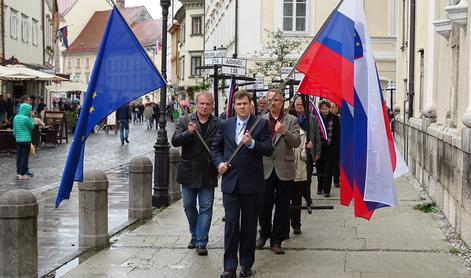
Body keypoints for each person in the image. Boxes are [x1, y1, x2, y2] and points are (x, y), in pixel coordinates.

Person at [212, 90, 273, 278]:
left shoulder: (260, 124)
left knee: (248, 225)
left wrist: (253, 143)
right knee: (231, 225)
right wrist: (219, 163)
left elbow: (269, 149)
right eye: (238, 104)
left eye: (245, 104)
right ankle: (229, 266)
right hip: (230, 183)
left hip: (251, 184)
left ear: (250, 105)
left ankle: (246, 264)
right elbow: (216, 148)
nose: (242, 107)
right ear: (234, 106)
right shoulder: (225, 124)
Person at [172, 92, 220, 256]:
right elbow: (175, 140)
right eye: (202, 103)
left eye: (208, 104)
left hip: (208, 172)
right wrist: (188, 133)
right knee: (189, 206)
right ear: (196, 104)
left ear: (212, 105)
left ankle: (201, 242)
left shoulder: (218, 123)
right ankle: (194, 234)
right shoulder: (185, 120)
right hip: (189, 172)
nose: (205, 106)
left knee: (206, 208)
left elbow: (221, 146)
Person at [257, 89, 300, 255]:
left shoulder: (291, 120)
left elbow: (296, 142)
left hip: (284, 168)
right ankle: (264, 234)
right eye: (270, 100)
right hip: (265, 168)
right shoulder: (260, 121)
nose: (273, 103)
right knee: (264, 205)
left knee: (283, 207)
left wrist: (284, 132)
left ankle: (277, 241)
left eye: (276, 100)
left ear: (282, 102)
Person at [290, 96, 321, 234]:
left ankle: (306, 198)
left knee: (304, 182)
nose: (299, 106)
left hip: (305, 158)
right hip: (289, 161)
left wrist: (315, 151)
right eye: (297, 104)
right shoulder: (290, 118)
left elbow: (316, 137)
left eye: (302, 104)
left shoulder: (312, 119)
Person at [316, 100, 340, 197]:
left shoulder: (334, 118)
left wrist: (337, 150)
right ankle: (320, 188)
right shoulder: (317, 118)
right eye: (322, 109)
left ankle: (327, 190)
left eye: (326, 108)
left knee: (328, 171)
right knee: (319, 170)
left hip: (331, 149)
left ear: (329, 108)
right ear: (320, 109)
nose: (324, 110)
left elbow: (338, 134)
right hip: (319, 148)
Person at [13, 103, 34, 180]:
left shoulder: (16, 117)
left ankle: (18, 172)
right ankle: (22, 174)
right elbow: (32, 126)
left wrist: (17, 137)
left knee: (19, 156)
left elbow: (14, 130)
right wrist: (31, 117)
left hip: (18, 140)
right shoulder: (26, 118)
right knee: (25, 157)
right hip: (26, 140)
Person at [330, 102, 341, 188]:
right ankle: (335, 180)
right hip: (331, 144)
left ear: (337, 109)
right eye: (330, 107)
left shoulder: (340, 118)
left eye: (333, 107)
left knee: (338, 163)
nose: (331, 109)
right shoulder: (327, 119)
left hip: (340, 143)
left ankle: (337, 180)